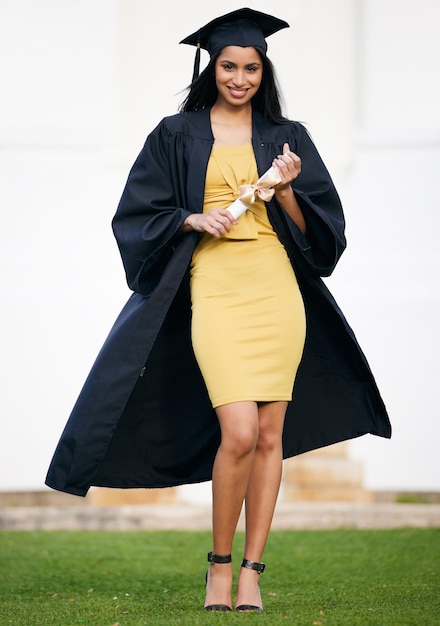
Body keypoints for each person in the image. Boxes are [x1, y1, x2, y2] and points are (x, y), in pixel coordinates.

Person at [46, 8, 391, 613]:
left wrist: (284, 188)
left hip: (275, 286)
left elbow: (325, 233)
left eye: (251, 68)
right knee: (236, 432)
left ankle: (253, 573)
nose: (239, 78)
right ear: (212, 67)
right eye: (229, 66)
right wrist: (188, 217)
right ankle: (218, 566)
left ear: (264, 70)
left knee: (268, 435)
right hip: (215, 282)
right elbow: (135, 212)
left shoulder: (287, 136)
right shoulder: (175, 133)